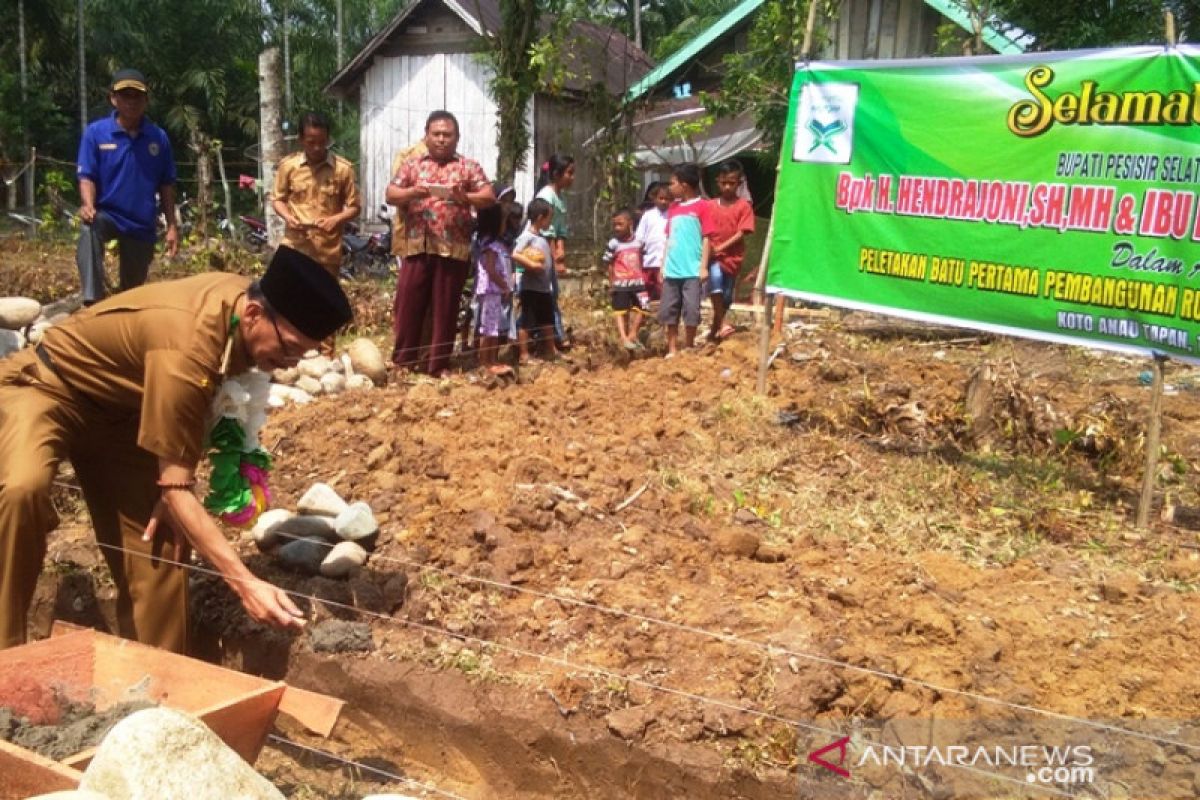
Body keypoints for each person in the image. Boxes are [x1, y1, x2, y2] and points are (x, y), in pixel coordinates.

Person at [0, 245, 352, 653]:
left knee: (162, 542)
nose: (290, 363)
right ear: (254, 314)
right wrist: (245, 583)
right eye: (288, 348)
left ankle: (159, 689)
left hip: (127, 414)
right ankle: (6, 661)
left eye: (300, 353)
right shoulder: (187, 345)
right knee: (21, 489)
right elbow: (177, 484)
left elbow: (197, 416)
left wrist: (175, 492)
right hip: (50, 386)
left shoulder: (242, 308)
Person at [386, 110, 495, 376]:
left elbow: (489, 196)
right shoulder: (413, 164)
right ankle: (403, 362)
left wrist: (465, 197)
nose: (442, 140)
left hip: (453, 248)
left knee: (446, 309)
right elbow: (390, 193)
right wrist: (413, 192)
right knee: (408, 305)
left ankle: (439, 365)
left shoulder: (468, 166)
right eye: (437, 134)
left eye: (448, 135)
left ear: (457, 138)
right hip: (417, 246)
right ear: (426, 136)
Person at [75, 68, 179, 306]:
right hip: (107, 215)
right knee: (89, 227)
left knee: (131, 294)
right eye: (125, 95)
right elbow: (86, 176)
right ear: (113, 98)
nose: (131, 101)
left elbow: (166, 185)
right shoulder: (96, 133)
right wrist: (88, 205)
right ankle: (93, 299)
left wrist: (172, 226)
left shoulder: (158, 138)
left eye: (137, 96)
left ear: (146, 101)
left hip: (141, 222)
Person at [271, 111, 361, 277]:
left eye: (322, 142)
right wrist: (288, 217)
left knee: (323, 301)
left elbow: (355, 207)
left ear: (328, 139)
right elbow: (278, 199)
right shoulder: (288, 166)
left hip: (327, 252)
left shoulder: (343, 169)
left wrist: (336, 219)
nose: (317, 148)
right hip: (295, 247)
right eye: (311, 142)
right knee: (291, 299)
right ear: (301, 140)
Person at [659, 163, 713, 358]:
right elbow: (668, 238)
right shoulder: (673, 208)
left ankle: (688, 346)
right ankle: (672, 348)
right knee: (669, 309)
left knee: (691, 310)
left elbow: (707, 238)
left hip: (692, 270)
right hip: (672, 270)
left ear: (684, 185)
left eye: (672, 183)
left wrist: (703, 266)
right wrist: (662, 264)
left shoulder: (702, 207)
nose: (669, 187)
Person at [707, 160, 756, 341]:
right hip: (713, 258)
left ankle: (715, 330)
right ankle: (723, 324)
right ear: (717, 182)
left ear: (739, 183)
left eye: (732, 183)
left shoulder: (743, 206)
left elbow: (742, 232)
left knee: (726, 298)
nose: (727, 187)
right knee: (716, 285)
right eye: (724, 183)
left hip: (733, 258)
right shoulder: (710, 205)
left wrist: (720, 247)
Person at [534, 154, 575, 349]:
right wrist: (553, 259)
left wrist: (561, 252)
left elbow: (560, 229)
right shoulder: (546, 196)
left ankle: (548, 335)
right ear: (557, 174)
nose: (572, 177)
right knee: (546, 295)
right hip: (541, 251)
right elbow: (545, 230)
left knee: (549, 295)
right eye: (569, 173)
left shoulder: (560, 197)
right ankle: (556, 337)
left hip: (550, 250)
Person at [513, 198, 557, 365]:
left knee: (547, 318)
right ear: (540, 218)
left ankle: (552, 350)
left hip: (543, 287)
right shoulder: (527, 236)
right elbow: (515, 254)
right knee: (528, 320)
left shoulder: (540, 236)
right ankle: (523, 355)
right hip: (531, 287)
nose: (549, 222)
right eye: (548, 218)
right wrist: (531, 264)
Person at [473, 204, 514, 375]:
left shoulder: (491, 243)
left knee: (493, 326)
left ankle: (492, 360)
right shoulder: (491, 245)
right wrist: (504, 285)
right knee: (489, 327)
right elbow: (490, 268)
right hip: (491, 290)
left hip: (494, 290)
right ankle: (486, 361)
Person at [603, 209, 648, 351]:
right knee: (621, 311)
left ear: (630, 224)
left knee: (644, 307)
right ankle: (623, 337)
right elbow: (609, 264)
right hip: (620, 284)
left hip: (638, 283)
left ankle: (633, 333)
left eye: (620, 224)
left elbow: (642, 258)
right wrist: (612, 283)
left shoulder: (640, 242)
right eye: (614, 225)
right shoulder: (613, 244)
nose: (617, 228)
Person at [635, 181, 670, 303]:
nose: (664, 201)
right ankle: (643, 313)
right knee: (644, 289)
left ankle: (662, 317)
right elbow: (639, 237)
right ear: (654, 198)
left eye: (667, 199)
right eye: (661, 198)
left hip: (664, 262)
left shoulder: (672, 215)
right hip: (648, 260)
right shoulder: (648, 215)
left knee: (663, 290)